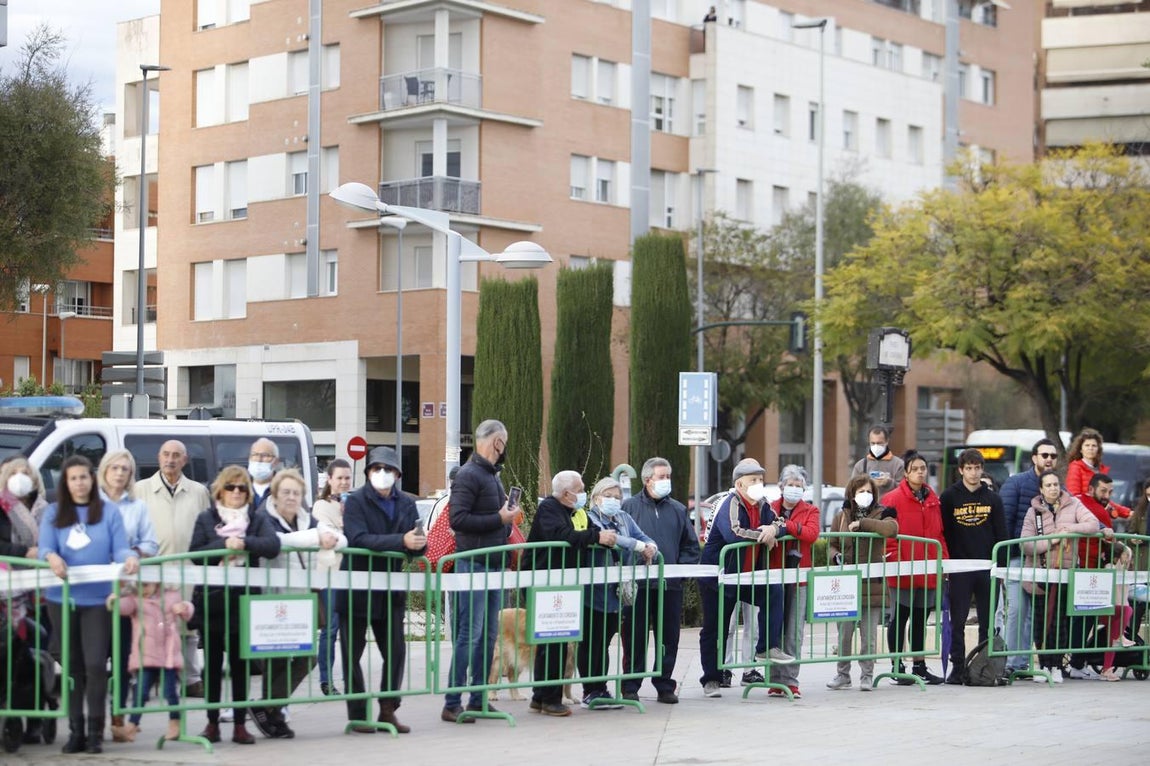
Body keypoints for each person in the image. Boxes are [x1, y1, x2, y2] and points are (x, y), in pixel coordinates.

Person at [39, 455, 140, 755]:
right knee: (73, 668)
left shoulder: (108, 512)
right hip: (62, 599)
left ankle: (96, 731)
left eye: (84, 477)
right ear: (65, 483)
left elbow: (119, 547)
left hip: (98, 599)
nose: (79, 483)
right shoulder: (54, 513)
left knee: (96, 665)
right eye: (73, 478)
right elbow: (45, 546)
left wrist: (129, 558)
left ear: (91, 479)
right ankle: (76, 731)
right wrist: (51, 557)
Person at [188, 465, 281, 745]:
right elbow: (194, 553)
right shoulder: (207, 517)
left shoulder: (255, 518)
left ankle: (240, 724)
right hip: (214, 598)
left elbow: (272, 545)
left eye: (242, 488)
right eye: (231, 487)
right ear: (221, 489)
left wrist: (245, 543)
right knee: (214, 664)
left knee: (240, 665)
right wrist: (222, 544)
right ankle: (212, 723)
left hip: (243, 600)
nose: (237, 492)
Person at [251, 469, 346, 739]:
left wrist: (327, 537)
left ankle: (267, 708)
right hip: (271, 597)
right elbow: (274, 543)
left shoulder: (307, 519)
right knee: (277, 660)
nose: (291, 497)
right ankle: (274, 717)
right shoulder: (263, 518)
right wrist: (317, 538)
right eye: (286, 492)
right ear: (275, 494)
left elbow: (342, 539)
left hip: (301, 598)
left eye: (296, 493)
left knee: (306, 658)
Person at [338, 447, 423, 734]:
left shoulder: (407, 504)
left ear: (398, 474)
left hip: (390, 591)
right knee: (352, 654)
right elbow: (358, 538)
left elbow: (416, 541)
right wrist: (402, 541)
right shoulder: (356, 501)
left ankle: (388, 709)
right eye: (376, 469)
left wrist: (419, 546)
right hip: (357, 590)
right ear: (368, 472)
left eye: (388, 469)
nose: (382, 474)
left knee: (396, 652)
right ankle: (359, 714)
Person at [442, 419, 519, 723]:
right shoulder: (468, 475)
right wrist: (499, 519)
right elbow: (457, 520)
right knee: (469, 634)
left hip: (493, 564)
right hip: (473, 563)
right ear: (496, 442)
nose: (505, 449)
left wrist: (506, 519)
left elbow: (487, 517)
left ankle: (478, 698)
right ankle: (452, 701)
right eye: (505, 442)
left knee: (488, 636)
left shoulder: (491, 477)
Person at [526, 471, 614, 716]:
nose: (584, 492)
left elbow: (593, 530)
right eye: (580, 488)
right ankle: (550, 699)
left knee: (556, 640)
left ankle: (540, 696)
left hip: (564, 582)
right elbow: (560, 536)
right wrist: (597, 537)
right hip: (544, 582)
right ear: (566, 493)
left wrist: (603, 535)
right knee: (553, 641)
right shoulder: (550, 509)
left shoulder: (578, 512)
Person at [133, 439, 212, 697]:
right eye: (166, 454)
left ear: (185, 460)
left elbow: (207, 528)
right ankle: (148, 678)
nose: (171, 459)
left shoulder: (198, 491)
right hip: (154, 571)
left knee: (187, 628)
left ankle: (191, 679)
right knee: (152, 627)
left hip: (188, 570)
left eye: (176, 455)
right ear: (158, 457)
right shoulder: (141, 490)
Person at [620, 457, 700, 704]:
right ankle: (631, 685)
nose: (667, 481)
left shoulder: (677, 509)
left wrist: (681, 572)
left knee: (669, 638)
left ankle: (665, 685)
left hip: (669, 586)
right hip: (639, 586)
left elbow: (690, 545)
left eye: (668, 476)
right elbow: (623, 543)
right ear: (647, 480)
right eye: (661, 477)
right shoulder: (629, 508)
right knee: (635, 636)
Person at [697, 458, 778, 698]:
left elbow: (779, 521)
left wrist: (774, 529)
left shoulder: (763, 504)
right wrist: (763, 535)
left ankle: (766, 648)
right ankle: (711, 678)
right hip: (718, 578)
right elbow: (733, 534)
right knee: (715, 628)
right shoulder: (729, 503)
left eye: (761, 480)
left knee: (774, 592)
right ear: (739, 484)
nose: (758, 484)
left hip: (745, 577)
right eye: (753, 480)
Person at [96, 449, 159, 742]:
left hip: (125, 594)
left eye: (125, 469)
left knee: (122, 660)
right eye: (115, 468)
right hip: (94, 593)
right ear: (104, 470)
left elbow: (151, 542)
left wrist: (133, 554)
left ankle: (118, 717)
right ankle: (92, 719)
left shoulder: (138, 507)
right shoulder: (89, 503)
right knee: (94, 661)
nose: (120, 473)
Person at [579, 476, 656, 710]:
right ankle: (591, 690)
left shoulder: (623, 517)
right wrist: (636, 545)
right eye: (608, 496)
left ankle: (601, 689)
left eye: (617, 497)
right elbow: (612, 540)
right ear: (595, 498)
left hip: (617, 593)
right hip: (594, 591)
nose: (613, 500)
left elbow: (642, 536)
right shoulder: (590, 518)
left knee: (605, 641)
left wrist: (651, 546)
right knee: (592, 642)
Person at [1020, 470, 1100, 683]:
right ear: (1041, 489)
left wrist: (1069, 529)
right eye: (1048, 485)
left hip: (1064, 575)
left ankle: (1057, 665)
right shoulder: (1032, 512)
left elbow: (1093, 524)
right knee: (1041, 622)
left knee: (1059, 623)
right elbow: (1026, 544)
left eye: (1056, 484)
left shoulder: (1073, 505)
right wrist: (1053, 540)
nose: (1053, 488)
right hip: (1040, 574)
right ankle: (1044, 664)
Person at [938, 448, 1007, 684]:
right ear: (961, 470)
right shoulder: (948, 498)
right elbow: (943, 533)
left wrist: (1002, 567)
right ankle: (957, 668)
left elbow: (1002, 535)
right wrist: (946, 564)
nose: (974, 472)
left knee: (987, 623)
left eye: (978, 468)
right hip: (959, 569)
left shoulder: (993, 499)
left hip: (988, 569)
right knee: (957, 621)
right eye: (969, 468)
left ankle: (983, 667)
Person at [826, 474, 898, 692]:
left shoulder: (883, 512)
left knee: (869, 635)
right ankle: (842, 675)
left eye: (868, 491)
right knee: (845, 634)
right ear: (851, 494)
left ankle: (867, 675)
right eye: (860, 492)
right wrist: (835, 556)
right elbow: (832, 543)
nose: (864, 495)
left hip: (872, 583)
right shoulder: (841, 516)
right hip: (847, 583)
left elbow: (891, 529)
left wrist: (864, 524)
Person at [882, 451, 948, 686]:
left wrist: (943, 561)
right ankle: (896, 665)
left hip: (927, 567)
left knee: (921, 617)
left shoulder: (932, 498)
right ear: (906, 473)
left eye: (923, 468)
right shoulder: (892, 499)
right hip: (902, 569)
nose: (921, 472)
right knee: (900, 617)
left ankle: (919, 665)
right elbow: (888, 536)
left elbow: (939, 533)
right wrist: (895, 563)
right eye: (916, 468)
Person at [998, 437, 1059, 676]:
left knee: (1035, 614)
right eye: (1045, 455)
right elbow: (1005, 520)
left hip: (1046, 562)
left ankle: (1023, 662)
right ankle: (1012, 662)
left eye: (1053, 456)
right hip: (1017, 558)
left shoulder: (1058, 488)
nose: (1049, 460)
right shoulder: (1016, 484)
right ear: (1034, 458)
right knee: (1016, 611)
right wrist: (1005, 559)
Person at [111, 581, 194, 742]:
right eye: (140, 586)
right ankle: (132, 726)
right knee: (140, 692)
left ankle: (174, 722)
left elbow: (187, 611)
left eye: (146, 585)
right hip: (146, 655)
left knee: (170, 691)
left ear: (156, 583)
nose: (143, 590)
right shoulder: (135, 599)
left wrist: (184, 607)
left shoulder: (171, 595)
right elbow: (124, 607)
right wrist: (114, 600)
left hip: (168, 653)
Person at [765, 464, 820, 698]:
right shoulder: (769, 508)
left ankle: (790, 680)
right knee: (773, 629)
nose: (794, 489)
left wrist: (786, 526)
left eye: (799, 486)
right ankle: (774, 680)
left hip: (798, 579)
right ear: (781, 486)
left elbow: (811, 534)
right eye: (790, 485)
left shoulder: (811, 511)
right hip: (774, 576)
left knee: (794, 631)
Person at [311, 458, 352, 696]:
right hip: (330, 574)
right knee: (331, 627)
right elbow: (333, 537)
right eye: (339, 478)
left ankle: (350, 678)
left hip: (352, 574)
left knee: (349, 628)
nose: (344, 482)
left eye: (347, 478)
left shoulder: (355, 503)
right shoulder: (321, 507)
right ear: (330, 480)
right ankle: (326, 679)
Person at [850, 426, 906, 494]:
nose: (876, 446)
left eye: (879, 443)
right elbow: (852, 488)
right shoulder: (861, 465)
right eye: (873, 443)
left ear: (887, 441)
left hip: (890, 504)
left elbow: (905, 489)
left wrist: (888, 482)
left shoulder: (899, 465)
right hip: (868, 504)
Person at [1065, 427, 1106, 497]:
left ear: (1098, 449)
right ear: (1081, 449)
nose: (1090, 448)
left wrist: (1124, 508)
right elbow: (1074, 496)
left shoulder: (1100, 470)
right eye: (1087, 445)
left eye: (1094, 446)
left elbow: (1105, 499)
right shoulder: (1075, 468)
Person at [248, 438, 281, 510]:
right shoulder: (238, 488)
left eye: (265, 455)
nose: (259, 459)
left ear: (276, 461)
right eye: (255, 454)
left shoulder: (286, 489)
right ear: (250, 458)